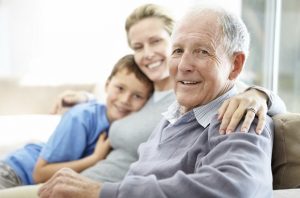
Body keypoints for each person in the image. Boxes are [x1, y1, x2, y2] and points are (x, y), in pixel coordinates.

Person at [0, 3, 286, 197]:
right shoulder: (169, 101)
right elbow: (115, 100)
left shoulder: (236, 113)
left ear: (235, 65)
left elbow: (238, 188)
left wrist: (261, 95)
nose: (183, 64)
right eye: (178, 51)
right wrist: (86, 99)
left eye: (201, 51)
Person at [0, 54, 153, 189]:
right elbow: (39, 173)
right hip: (13, 173)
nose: (125, 100)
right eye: (120, 88)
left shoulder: (129, 127)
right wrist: (95, 159)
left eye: (137, 96)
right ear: (107, 85)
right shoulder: (81, 117)